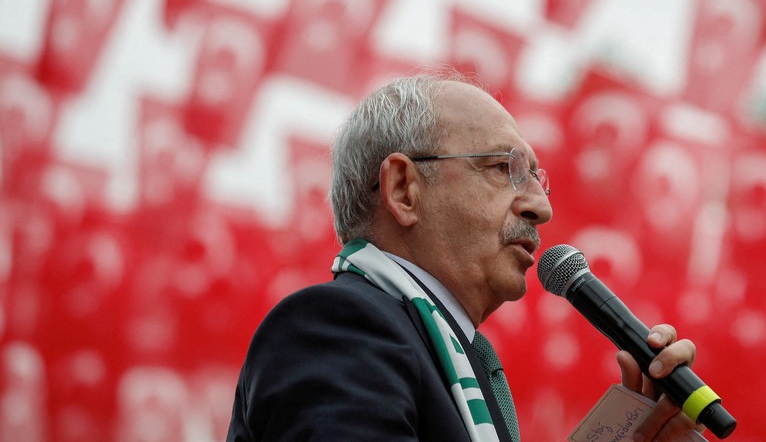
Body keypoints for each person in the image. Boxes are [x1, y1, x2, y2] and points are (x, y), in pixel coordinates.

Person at [226, 71, 705, 441]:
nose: (541, 207)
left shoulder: (450, 356)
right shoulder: (336, 327)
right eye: (502, 168)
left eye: (537, 179)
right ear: (404, 189)